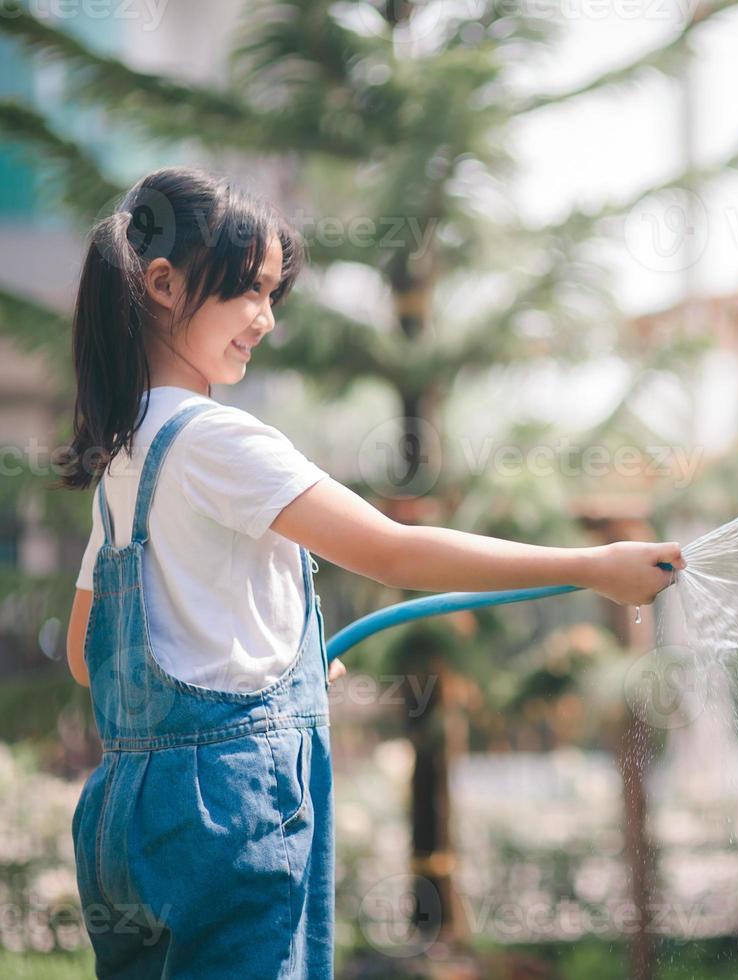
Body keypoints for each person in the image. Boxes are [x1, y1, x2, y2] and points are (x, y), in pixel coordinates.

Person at [58, 166, 684, 978]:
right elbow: (394, 551)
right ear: (166, 284)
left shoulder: (125, 459)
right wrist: (593, 567)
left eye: (273, 296)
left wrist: (268, 668)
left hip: (125, 825)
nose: (266, 320)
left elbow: (86, 655)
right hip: (227, 814)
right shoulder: (218, 440)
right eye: (250, 292)